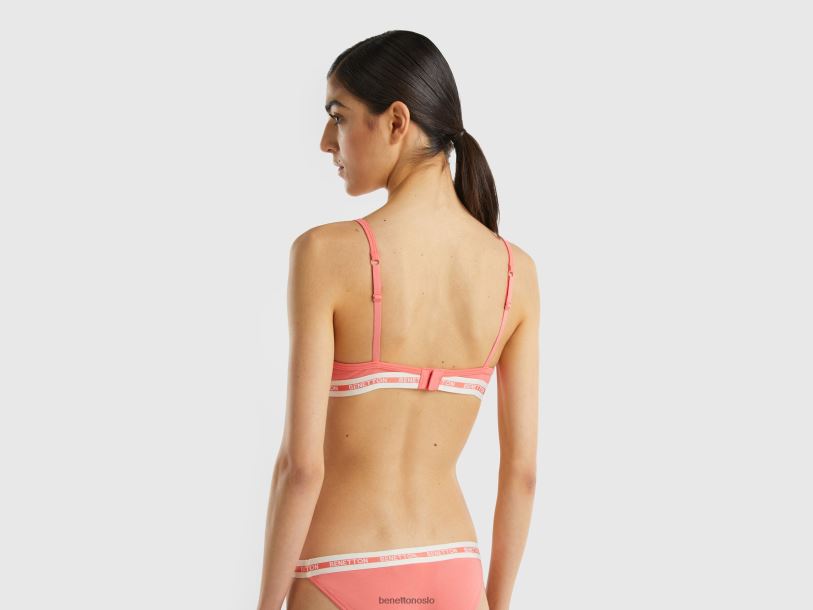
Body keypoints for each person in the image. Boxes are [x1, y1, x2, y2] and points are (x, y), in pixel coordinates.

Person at [256, 30, 539, 610]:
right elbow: (522, 472)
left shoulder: (324, 254)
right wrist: (496, 603)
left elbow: (301, 468)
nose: (325, 142)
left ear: (395, 121)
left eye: (338, 116)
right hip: (453, 572)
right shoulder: (516, 273)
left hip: (339, 567)